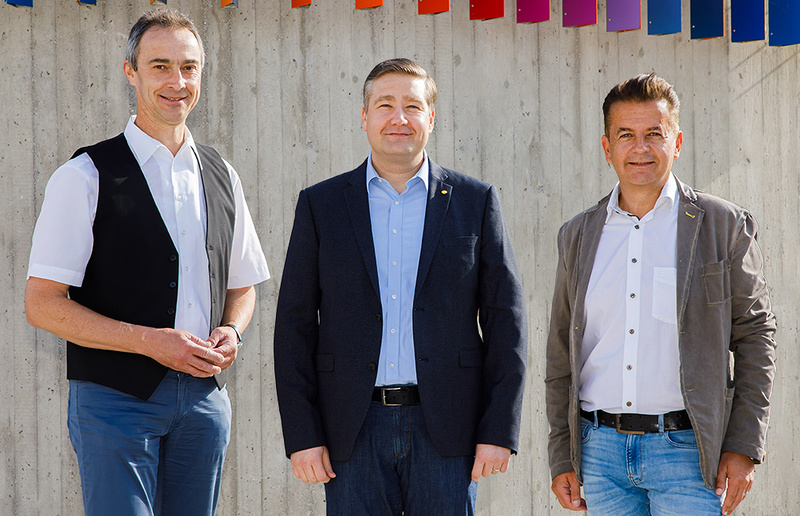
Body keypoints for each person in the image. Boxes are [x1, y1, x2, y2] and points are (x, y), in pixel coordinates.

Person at [24, 9, 270, 516]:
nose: (177, 82)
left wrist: (232, 330)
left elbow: (242, 284)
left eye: (189, 67)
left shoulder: (224, 174)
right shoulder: (84, 175)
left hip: (204, 402)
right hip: (114, 400)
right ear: (130, 72)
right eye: (160, 66)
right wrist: (147, 341)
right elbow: (42, 304)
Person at [274, 58, 527, 514]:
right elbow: (294, 326)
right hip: (351, 429)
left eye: (412, 106)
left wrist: (498, 430)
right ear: (364, 117)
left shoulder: (475, 201)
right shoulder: (320, 205)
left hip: (448, 429)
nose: (399, 117)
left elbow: (506, 320)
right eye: (385, 105)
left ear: (431, 117)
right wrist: (303, 435)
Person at [545, 73, 777, 516]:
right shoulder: (577, 235)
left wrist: (744, 444)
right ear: (607, 147)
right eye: (625, 135)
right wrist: (562, 455)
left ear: (677, 141)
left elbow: (756, 336)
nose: (640, 148)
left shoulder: (723, 226)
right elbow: (560, 352)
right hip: (599, 456)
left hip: (689, 455)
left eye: (654, 134)